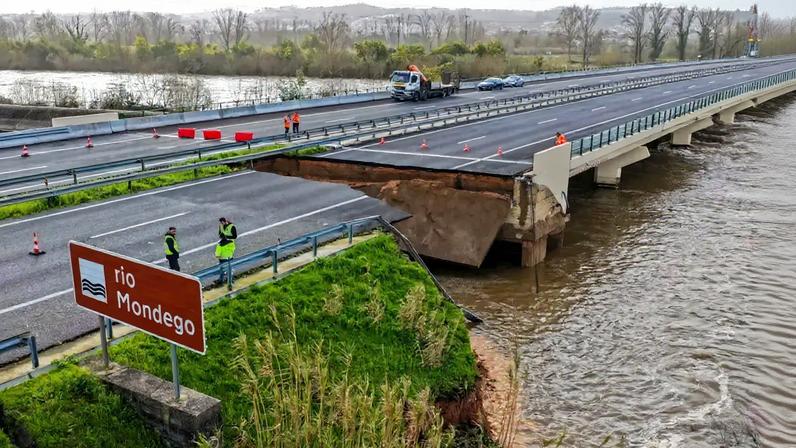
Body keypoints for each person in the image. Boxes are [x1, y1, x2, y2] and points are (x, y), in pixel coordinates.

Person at [215, 217, 238, 284]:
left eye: (222, 222)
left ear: (225, 221)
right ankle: (229, 280)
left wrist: (226, 237)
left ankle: (226, 280)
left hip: (229, 244)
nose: (222, 224)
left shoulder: (232, 226)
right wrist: (222, 236)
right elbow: (220, 234)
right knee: (228, 267)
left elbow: (235, 236)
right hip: (228, 248)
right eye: (221, 223)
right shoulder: (221, 226)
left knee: (224, 267)